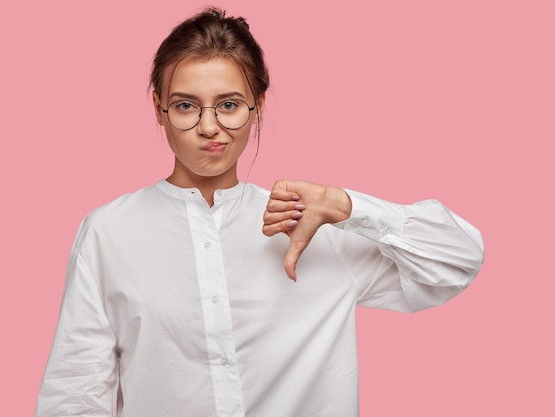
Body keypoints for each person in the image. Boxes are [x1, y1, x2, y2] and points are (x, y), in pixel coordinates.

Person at [35, 7, 484, 417]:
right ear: (159, 108)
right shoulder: (109, 233)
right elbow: (75, 395)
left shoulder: (316, 227)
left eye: (229, 105)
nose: (209, 126)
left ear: (258, 106)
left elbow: (457, 259)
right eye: (187, 105)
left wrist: (347, 206)